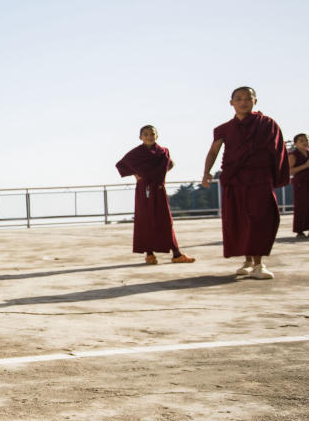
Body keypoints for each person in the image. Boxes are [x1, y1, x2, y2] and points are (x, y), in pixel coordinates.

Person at [201, 86, 289, 279]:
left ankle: (259, 264)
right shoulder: (224, 129)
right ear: (231, 103)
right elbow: (214, 151)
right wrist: (207, 171)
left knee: (261, 219)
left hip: (259, 177)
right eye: (239, 99)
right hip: (235, 178)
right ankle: (248, 261)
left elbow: (278, 150)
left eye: (248, 98)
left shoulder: (267, 124)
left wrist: (278, 174)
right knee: (240, 220)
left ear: (255, 101)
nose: (243, 102)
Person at [115, 125, 195, 264]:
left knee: (166, 221)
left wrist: (160, 174)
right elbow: (121, 164)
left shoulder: (164, 151)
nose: (149, 136)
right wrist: (136, 174)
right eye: (145, 134)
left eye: (152, 134)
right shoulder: (136, 153)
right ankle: (149, 254)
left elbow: (170, 164)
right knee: (145, 220)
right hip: (144, 189)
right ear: (140, 137)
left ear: (157, 136)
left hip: (158, 188)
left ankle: (176, 254)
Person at [288, 133, 309, 239]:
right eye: (301, 140)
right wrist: (305, 165)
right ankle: (300, 231)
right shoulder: (293, 155)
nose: (305, 142)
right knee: (302, 206)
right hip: (301, 183)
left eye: (306, 140)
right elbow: (289, 171)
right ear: (296, 143)